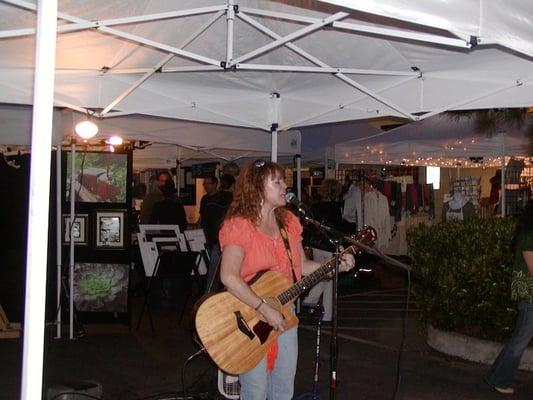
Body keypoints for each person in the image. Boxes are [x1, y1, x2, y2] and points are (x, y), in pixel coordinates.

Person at [219, 160, 356, 400]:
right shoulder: (240, 225)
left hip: (286, 313)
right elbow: (228, 276)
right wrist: (263, 307)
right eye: (277, 181)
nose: (285, 186)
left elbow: (301, 266)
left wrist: (334, 267)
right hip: (250, 316)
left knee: (283, 389)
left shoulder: (288, 223)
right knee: (256, 390)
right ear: (257, 187)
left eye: (284, 180)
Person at [485, 199, 533, 395]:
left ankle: (496, 376)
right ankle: (498, 378)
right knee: (520, 339)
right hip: (529, 294)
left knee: (520, 338)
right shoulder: (529, 237)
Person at [301, 178, 344, 322]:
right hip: (329, 245)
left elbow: (310, 226)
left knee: (323, 273)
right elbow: (337, 228)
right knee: (329, 275)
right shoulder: (336, 208)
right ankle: (316, 303)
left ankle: (320, 308)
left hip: (316, 244)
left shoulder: (315, 206)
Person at [204, 173, 235, 293]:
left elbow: (205, 220)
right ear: (232, 185)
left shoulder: (212, 200)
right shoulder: (231, 200)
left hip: (213, 239)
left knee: (213, 275)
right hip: (224, 241)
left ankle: (208, 297)